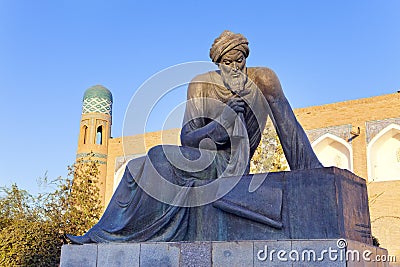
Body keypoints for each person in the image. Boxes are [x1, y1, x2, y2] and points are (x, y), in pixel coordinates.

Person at [66, 30, 322, 244]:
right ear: (217, 62)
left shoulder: (263, 79)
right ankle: (104, 235)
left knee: (157, 156)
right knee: (134, 167)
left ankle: (118, 235)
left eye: (239, 61)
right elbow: (187, 138)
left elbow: (288, 126)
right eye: (227, 63)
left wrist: (311, 171)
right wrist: (221, 123)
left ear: (246, 58)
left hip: (230, 165)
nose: (234, 68)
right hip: (204, 156)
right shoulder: (201, 84)